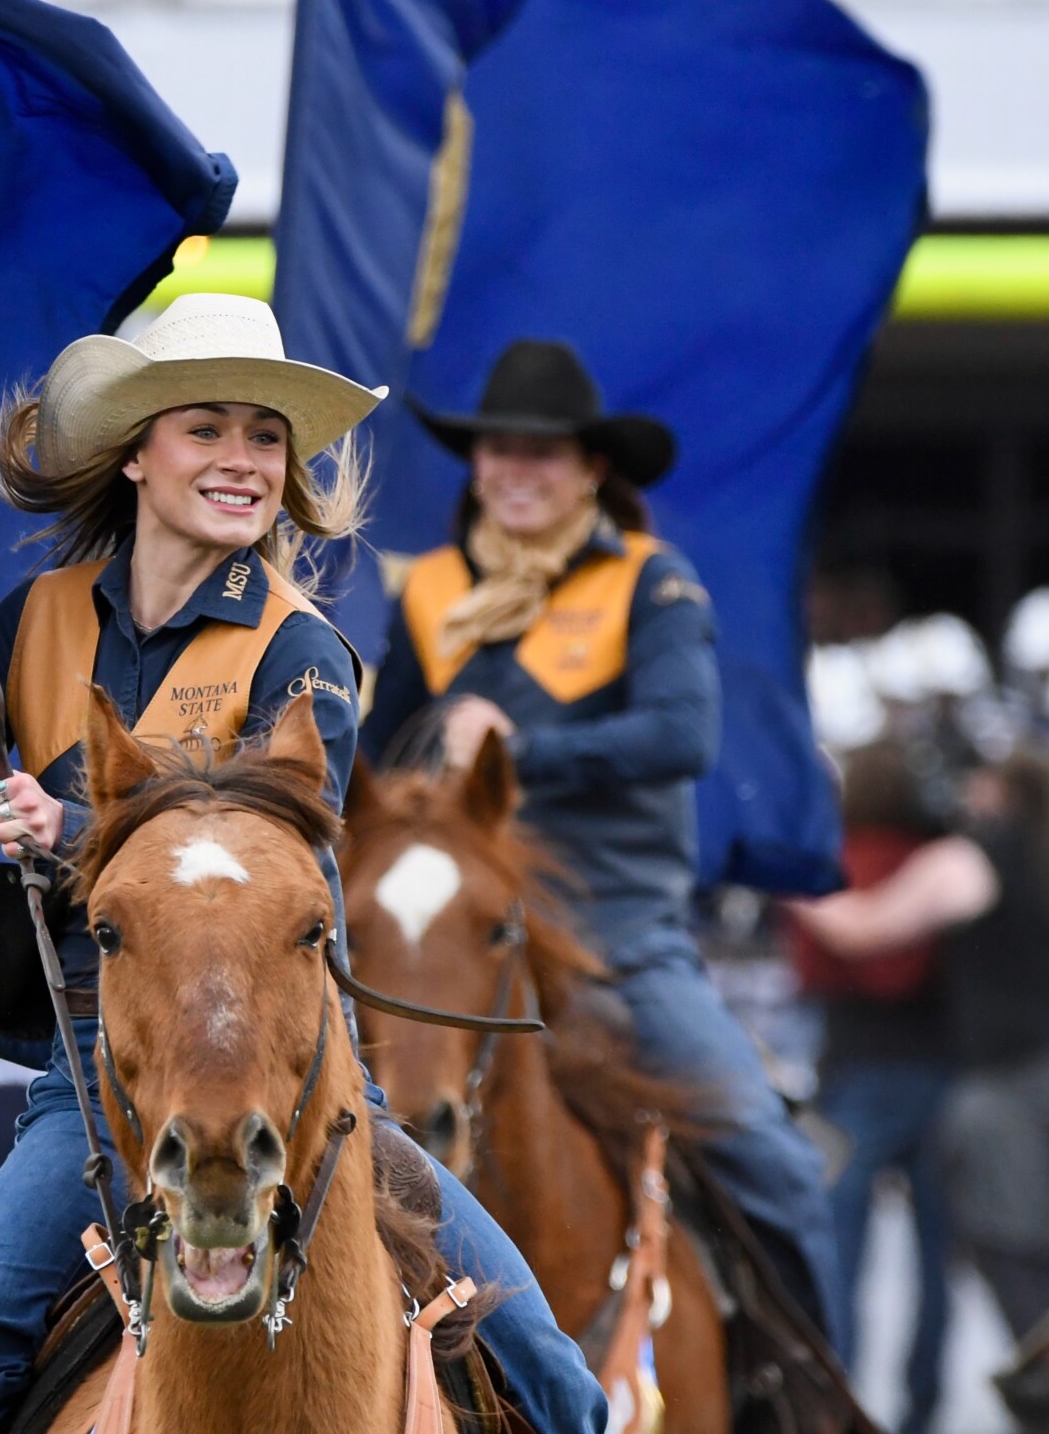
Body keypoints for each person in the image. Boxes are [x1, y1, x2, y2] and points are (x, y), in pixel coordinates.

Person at [0, 294, 607, 1434]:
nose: (243, 459)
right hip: (98, 1073)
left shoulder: (303, 649)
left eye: (265, 437)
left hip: (301, 1074)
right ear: (134, 455)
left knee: (562, 1392)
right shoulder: (29, 620)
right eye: (207, 429)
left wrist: (75, 822)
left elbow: (277, 833)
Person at [361, 338, 844, 1343]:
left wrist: (517, 751)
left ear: (590, 470)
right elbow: (373, 765)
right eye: (499, 449)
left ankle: (818, 1393)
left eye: (543, 452)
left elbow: (683, 735)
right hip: (462, 943)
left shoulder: (649, 583)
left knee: (775, 1163)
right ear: (475, 464)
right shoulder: (431, 590)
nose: (517, 470)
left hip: (618, 944)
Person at [789, 747, 1049, 1338]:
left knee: (1007, 1252)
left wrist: (785, 876)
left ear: (1003, 789)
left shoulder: (975, 857)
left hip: (1009, 1093)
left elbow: (864, 927)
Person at [787, 742, 953, 1434]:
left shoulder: (834, 862)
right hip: (936, 1069)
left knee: (840, 1256)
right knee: (935, 1260)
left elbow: (813, 969)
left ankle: (839, 1400)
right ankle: (922, 1406)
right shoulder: (933, 860)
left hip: (853, 1073)